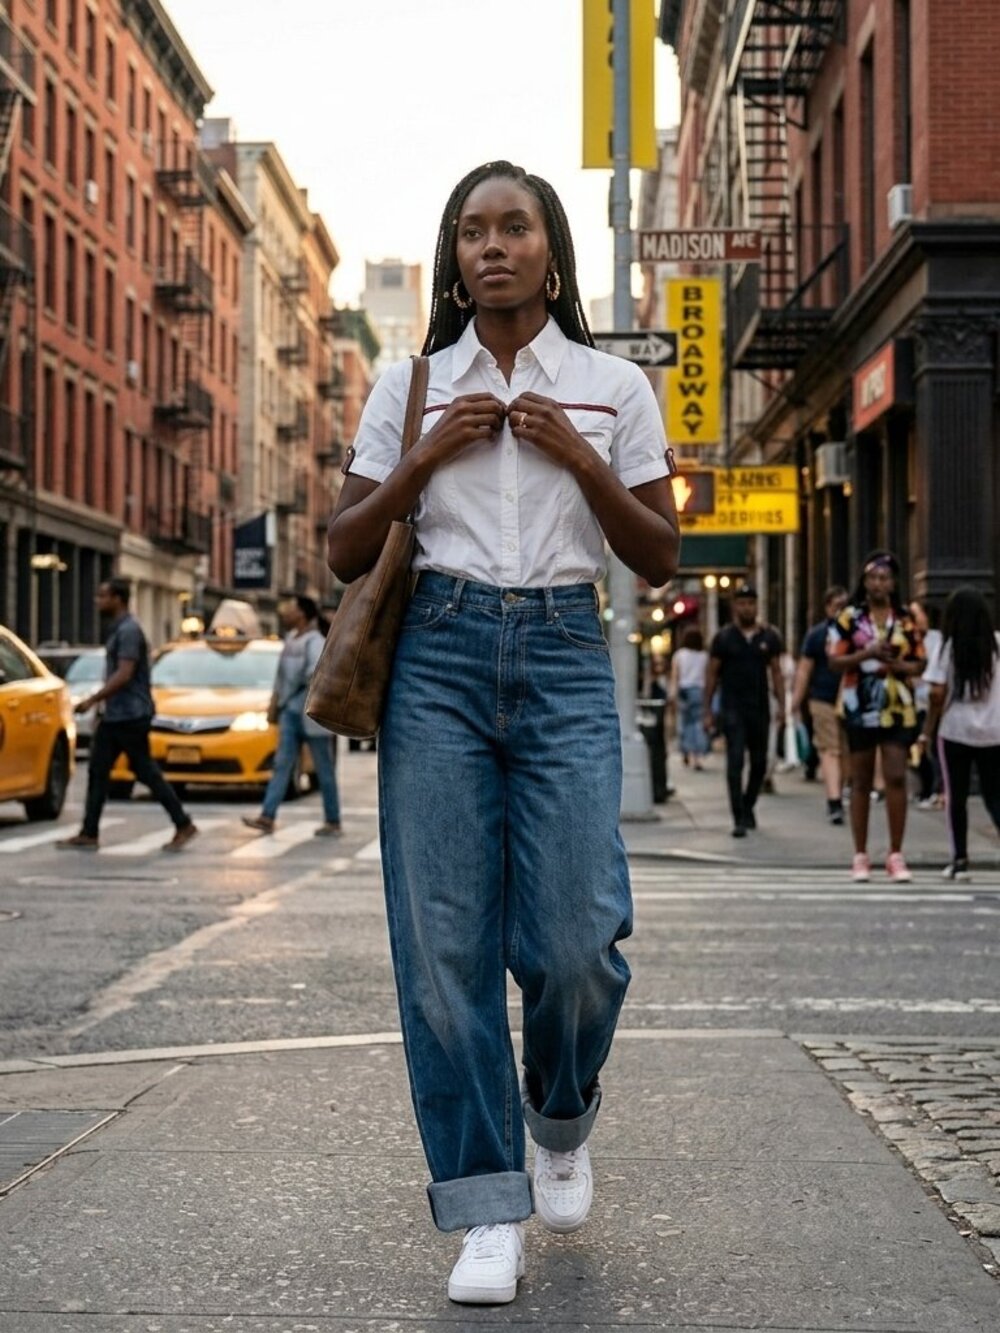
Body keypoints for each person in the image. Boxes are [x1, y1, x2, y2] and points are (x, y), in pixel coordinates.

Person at [326, 160, 679, 1306]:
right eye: (470, 231)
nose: (491, 246)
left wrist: (578, 456)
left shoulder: (612, 386)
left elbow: (660, 554)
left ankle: (558, 1116)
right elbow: (341, 546)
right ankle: (484, 1206)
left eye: (512, 227)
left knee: (579, 939)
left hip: (569, 656)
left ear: (550, 250)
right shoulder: (410, 382)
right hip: (438, 654)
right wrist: (424, 457)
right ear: (453, 257)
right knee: (443, 949)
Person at [57, 578, 198, 853]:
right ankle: (89, 832)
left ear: (118, 599)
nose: (98, 601)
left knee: (144, 770)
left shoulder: (129, 631)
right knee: (99, 770)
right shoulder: (120, 629)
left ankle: (183, 823)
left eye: (103, 596)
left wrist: (92, 700)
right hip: (118, 714)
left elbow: (124, 673)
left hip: (130, 714)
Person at [828, 551, 924, 883]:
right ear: (864, 582)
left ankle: (895, 854)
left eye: (885, 578)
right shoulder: (849, 618)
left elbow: (920, 662)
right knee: (861, 779)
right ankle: (861, 854)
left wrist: (898, 665)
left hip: (897, 705)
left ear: (893, 583)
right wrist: (867, 653)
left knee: (896, 775)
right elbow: (834, 662)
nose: (879, 583)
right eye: (873, 577)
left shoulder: (906, 618)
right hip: (860, 703)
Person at [242, 595, 342, 837]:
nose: (286, 613)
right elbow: (279, 678)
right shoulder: (290, 640)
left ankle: (333, 820)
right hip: (289, 713)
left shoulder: (315, 641)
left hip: (311, 714)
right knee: (282, 764)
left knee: (323, 769)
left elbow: (313, 673)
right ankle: (267, 815)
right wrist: (275, 705)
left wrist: (290, 693)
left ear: (303, 614)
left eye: (292, 609)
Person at [921, 587, 1000, 881]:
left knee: (957, 797)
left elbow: (937, 693)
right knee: (995, 796)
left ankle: (960, 859)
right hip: (994, 730)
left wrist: (927, 730)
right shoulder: (998, 645)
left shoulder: (948, 648)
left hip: (956, 730)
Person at [702, 585, 784, 837]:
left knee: (759, 763)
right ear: (735, 606)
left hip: (759, 707)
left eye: (750, 603)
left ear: (757, 605)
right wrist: (707, 710)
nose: (746, 607)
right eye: (742, 603)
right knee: (735, 761)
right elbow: (712, 674)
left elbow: (776, 671)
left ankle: (749, 805)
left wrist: (782, 704)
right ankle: (738, 816)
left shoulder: (769, 636)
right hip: (732, 708)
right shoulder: (724, 638)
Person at [791, 585, 849, 824]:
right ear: (827, 608)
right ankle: (834, 799)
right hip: (822, 698)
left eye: (844, 607)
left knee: (845, 751)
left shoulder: (856, 634)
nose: (840, 612)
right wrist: (795, 701)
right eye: (836, 607)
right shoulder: (817, 635)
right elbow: (805, 670)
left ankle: (839, 791)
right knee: (830, 749)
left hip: (850, 700)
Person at [909, 599, 944, 809]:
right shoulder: (911, 637)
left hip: (932, 701)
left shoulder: (935, 639)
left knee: (933, 747)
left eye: (916, 615)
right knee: (917, 747)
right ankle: (926, 788)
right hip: (917, 701)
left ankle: (937, 791)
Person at [670, 626, 709, 769]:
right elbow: (707, 677)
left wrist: (672, 694)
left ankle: (686, 751)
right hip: (699, 691)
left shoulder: (679, 655)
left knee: (684, 723)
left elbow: (675, 677)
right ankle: (697, 757)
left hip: (683, 691)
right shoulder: (704, 656)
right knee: (697, 724)